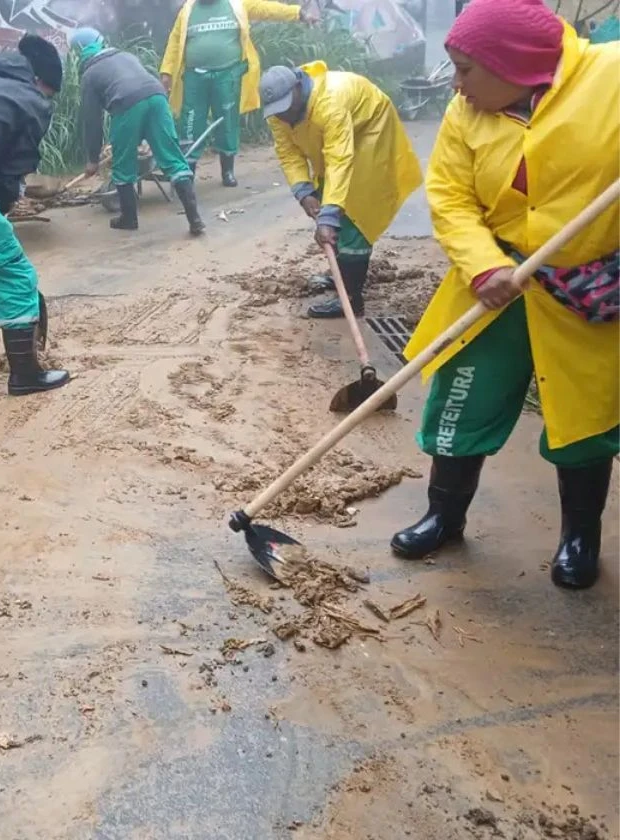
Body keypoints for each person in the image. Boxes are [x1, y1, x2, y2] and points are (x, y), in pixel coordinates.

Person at [389, 0, 619, 590]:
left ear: (513, 63)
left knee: (582, 416)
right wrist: (483, 266)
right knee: (463, 396)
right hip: (498, 288)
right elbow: (451, 196)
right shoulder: (465, 114)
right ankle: (444, 515)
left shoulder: (609, 79)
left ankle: (578, 538)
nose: (456, 85)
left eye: (466, 70)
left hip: (583, 288)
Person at [258, 62, 422, 318]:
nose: (283, 116)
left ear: (298, 87)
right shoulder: (280, 113)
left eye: (286, 108)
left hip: (370, 131)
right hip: (339, 141)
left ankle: (352, 300)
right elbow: (288, 153)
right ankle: (343, 276)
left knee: (353, 215)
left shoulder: (330, 103)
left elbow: (339, 158)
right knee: (327, 197)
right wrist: (304, 192)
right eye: (277, 112)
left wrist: (330, 216)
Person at [0, 34, 71, 396]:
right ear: (41, 83)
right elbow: (13, 175)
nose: (47, 100)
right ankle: (25, 375)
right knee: (15, 276)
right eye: (50, 93)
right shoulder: (31, 101)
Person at [160, 0, 318, 188]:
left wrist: (298, 13)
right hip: (194, 77)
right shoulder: (188, 9)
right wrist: (166, 72)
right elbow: (175, 41)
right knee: (190, 122)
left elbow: (265, 9)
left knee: (227, 121)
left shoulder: (235, 3)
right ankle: (188, 172)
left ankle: (227, 171)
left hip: (228, 75)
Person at [72, 27, 205, 235]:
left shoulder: (89, 74)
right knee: (173, 159)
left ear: (77, 52)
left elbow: (92, 121)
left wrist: (92, 159)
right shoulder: (125, 55)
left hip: (126, 104)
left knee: (124, 165)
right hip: (157, 96)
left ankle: (129, 218)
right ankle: (195, 219)